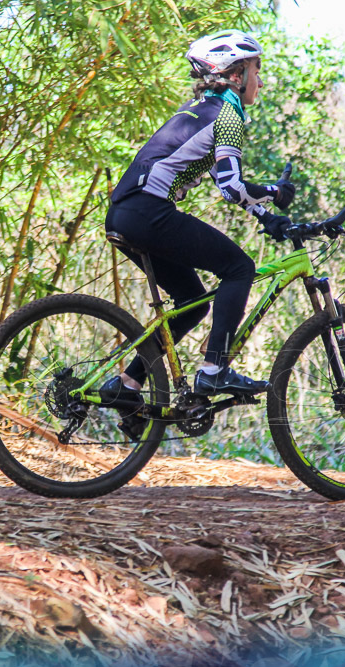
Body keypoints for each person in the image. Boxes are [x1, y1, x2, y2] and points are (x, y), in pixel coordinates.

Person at [100, 29, 295, 437]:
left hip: (127, 213)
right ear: (236, 74)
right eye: (257, 70)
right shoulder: (226, 116)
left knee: (191, 303)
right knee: (239, 268)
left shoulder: (201, 110)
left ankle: (128, 385)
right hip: (147, 211)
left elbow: (222, 179)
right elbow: (231, 186)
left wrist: (265, 215)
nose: (261, 79)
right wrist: (275, 194)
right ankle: (213, 370)